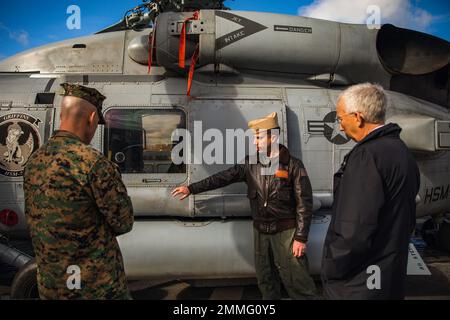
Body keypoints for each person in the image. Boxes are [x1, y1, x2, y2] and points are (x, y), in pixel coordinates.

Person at [172, 112, 318, 299]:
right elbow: (222, 178)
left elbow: (304, 203)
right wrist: (191, 188)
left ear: (272, 137)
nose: (255, 143)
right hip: (260, 232)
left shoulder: (293, 166)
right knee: (266, 279)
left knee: (297, 280)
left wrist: (301, 237)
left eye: (258, 138)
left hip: (286, 232)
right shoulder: (250, 164)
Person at [23, 83, 134, 300]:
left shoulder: (34, 161)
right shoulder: (92, 163)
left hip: (52, 285)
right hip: (95, 287)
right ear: (92, 118)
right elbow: (123, 222)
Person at [321, 83, 420, 300]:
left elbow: (354, 230)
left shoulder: (366, 157)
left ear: (357, 117)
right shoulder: (402, 152)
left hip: (358, 284)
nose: (340, 127)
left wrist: (331, 267)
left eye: (340, 119)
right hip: (389, 277)